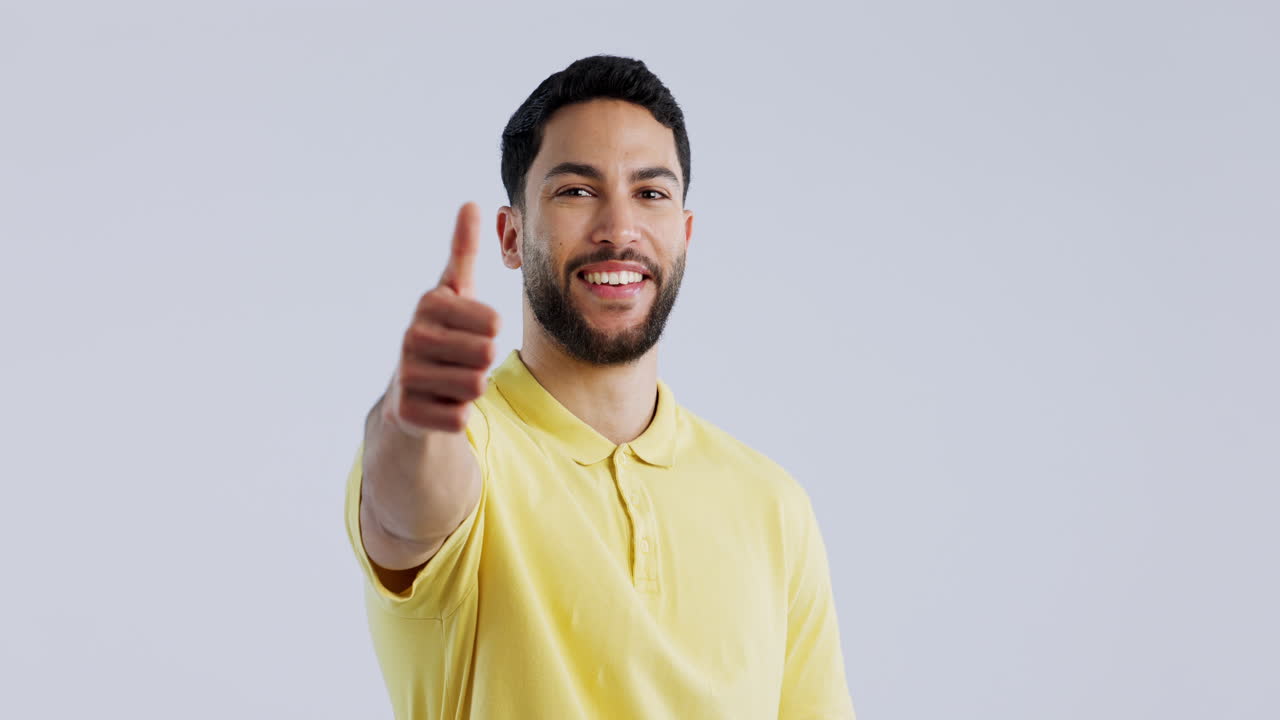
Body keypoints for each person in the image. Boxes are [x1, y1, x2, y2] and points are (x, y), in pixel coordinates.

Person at [343, 54, 856, 719]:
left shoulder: (774, 506)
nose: (619, 228)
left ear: (685, 234)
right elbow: (405, 512)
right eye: (577, 191)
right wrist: (411, 421)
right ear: (510, 234)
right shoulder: (469, 445)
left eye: (651, 193)